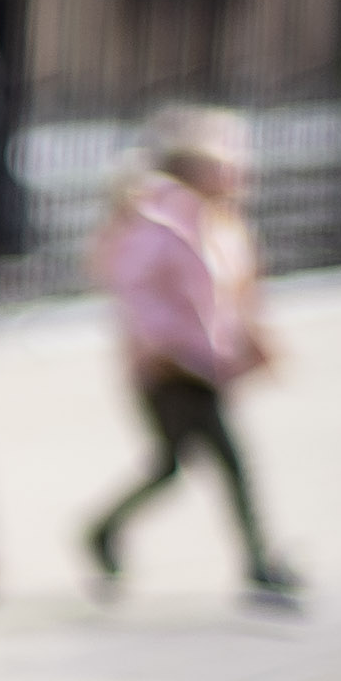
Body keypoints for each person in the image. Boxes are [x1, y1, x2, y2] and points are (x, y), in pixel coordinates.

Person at [82, 105, 295, 608]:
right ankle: (259, 564)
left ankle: (103, 530)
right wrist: (163, 350)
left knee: (171, 466)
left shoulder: (218, 224)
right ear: (193, 171)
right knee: (227, 462)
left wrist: (250, 340)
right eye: (225, 164)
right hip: (171, 370)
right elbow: (137, 293)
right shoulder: (160, 224)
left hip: (203, 365)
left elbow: (231, 294)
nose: (239, 172)